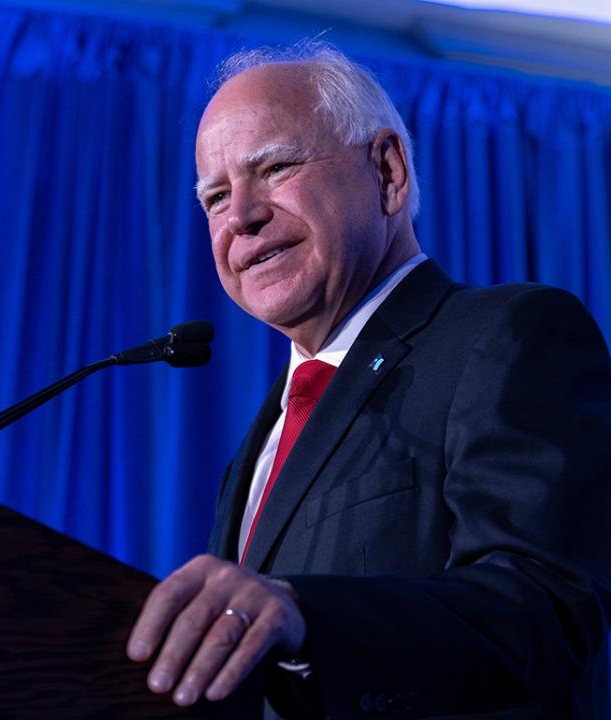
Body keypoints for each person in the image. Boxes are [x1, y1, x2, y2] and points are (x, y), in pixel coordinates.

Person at [126, 41, 611, 719]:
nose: (240, 216)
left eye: (275, 167)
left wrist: (307, 615)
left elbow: (545, 608)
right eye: (214, 197)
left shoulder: (511, 335)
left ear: (387, 171)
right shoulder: (258, 446)